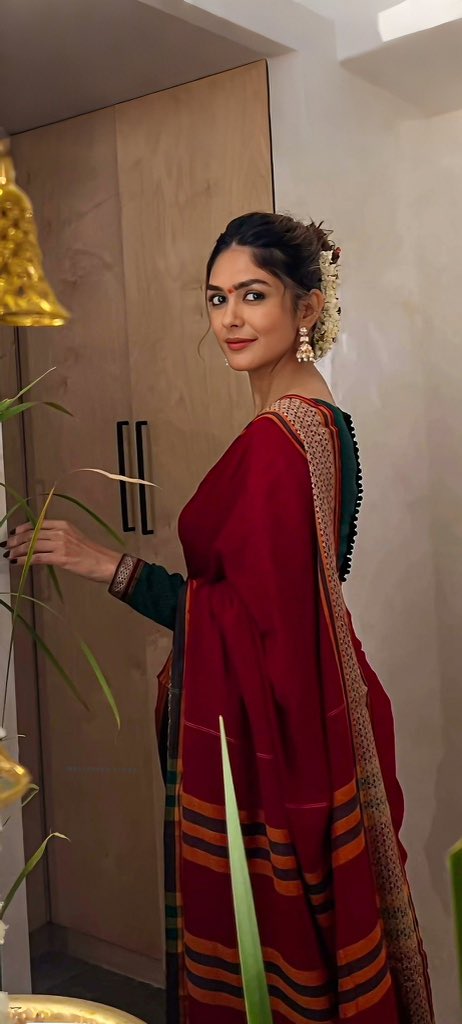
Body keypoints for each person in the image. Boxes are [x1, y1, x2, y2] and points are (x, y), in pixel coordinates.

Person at [5, 213, 434, 1024]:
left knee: (277, 968)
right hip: (321, 703)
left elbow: (263, 624)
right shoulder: (320, 420)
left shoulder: (280, 441)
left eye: (253, 295)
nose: (230, 318)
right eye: (216, 298)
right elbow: (280, 604)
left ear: (306, 308)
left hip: (289, 730)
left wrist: (108, 565)